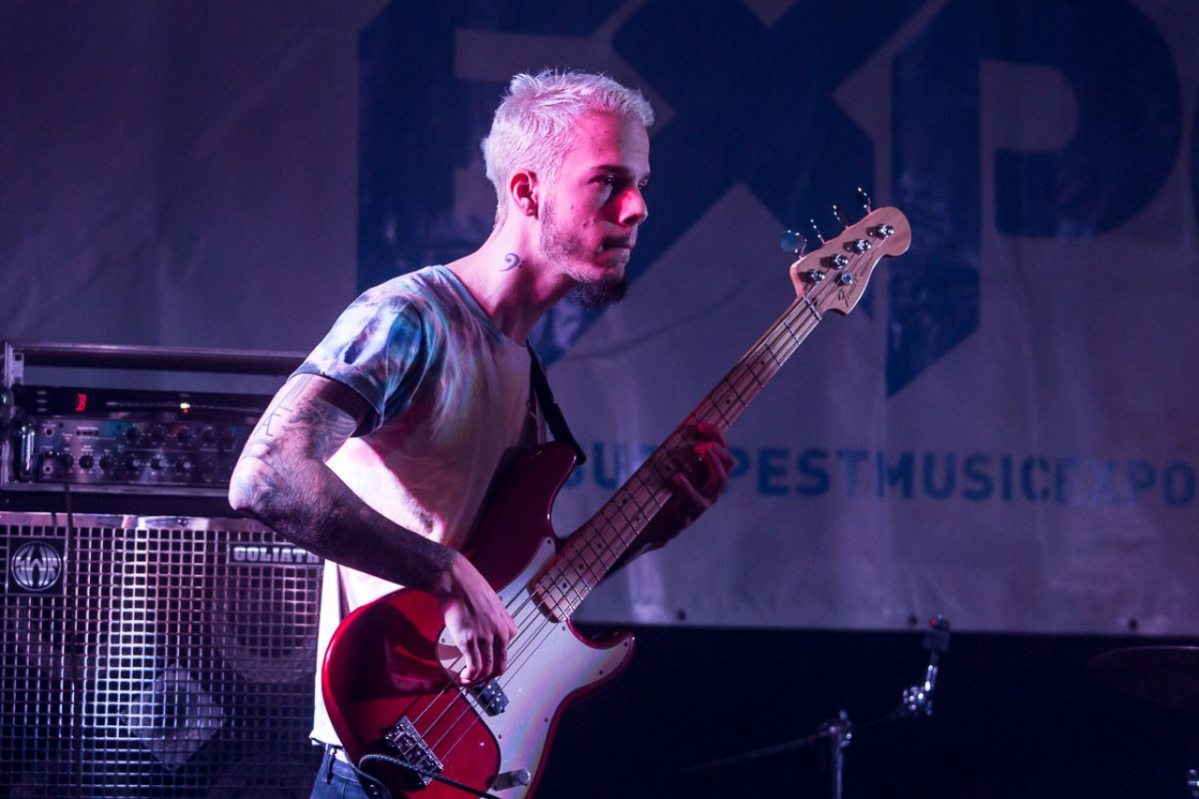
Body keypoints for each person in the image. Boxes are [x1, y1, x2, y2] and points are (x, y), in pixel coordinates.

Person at [228, 68, 733, 799]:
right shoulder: (412, 318)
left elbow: (515, 590)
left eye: (641, 185)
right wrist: (443, 571)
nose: (637, 208)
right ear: (526, 191)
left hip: (467, 763)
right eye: (608, 182)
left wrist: (649, 531)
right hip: (381, 765)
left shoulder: (522, 369)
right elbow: (265, 474)